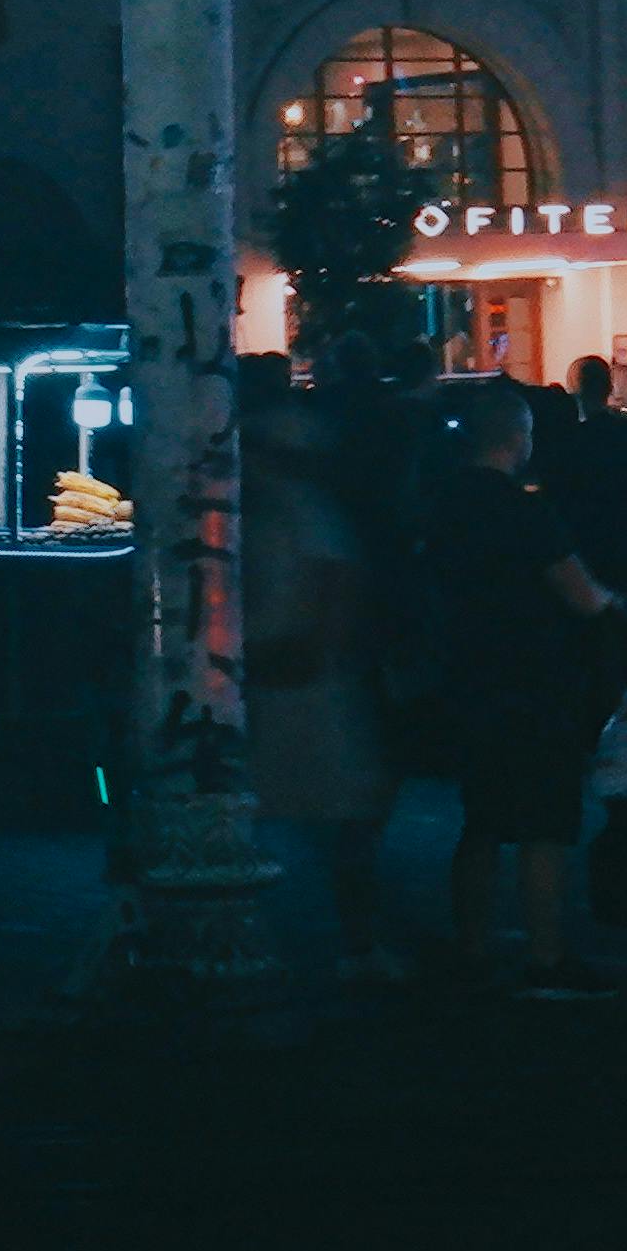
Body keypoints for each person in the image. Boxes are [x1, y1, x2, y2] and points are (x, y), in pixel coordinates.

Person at [427, 379, 627, 996]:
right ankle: (546, 955)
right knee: (544, 820)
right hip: (534, 680)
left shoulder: (443, 505)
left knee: (482, 818)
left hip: (467, 676)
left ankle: (471, 948)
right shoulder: (522, 509)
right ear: (518, 439)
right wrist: (616, 607)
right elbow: (581, 596)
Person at [241, 385, 401, 984]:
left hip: (287, 678)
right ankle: (356, 946)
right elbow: (336, 596)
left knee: (299, 817)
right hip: (307, 682)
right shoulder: (308, 516)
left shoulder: (275, 516)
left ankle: (318, 942)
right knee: (345, 821)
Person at [544, 353, 627, 606]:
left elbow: (552, 500)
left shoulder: (565, 444)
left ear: (576, 390)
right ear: (609, 388)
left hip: (581, 554)